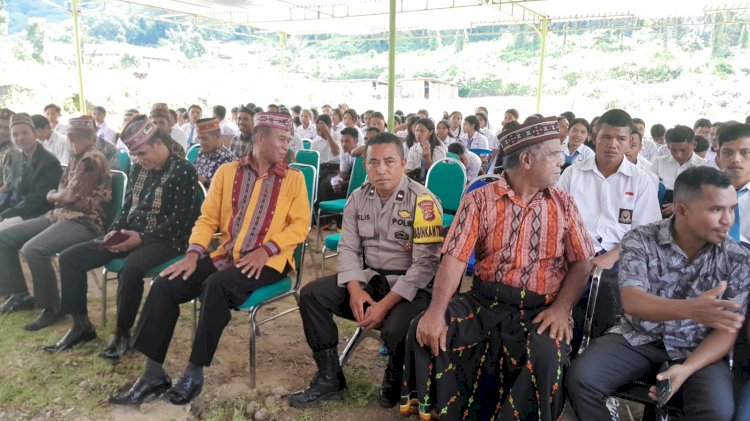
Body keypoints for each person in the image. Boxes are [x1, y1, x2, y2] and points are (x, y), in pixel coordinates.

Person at [401, 117, 594, 420]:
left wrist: (562, 308)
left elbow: (583, 262)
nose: (563, 160)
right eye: (555, 154)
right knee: (425, 328)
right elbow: (453, 258)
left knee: (547, 352)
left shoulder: (564, 203)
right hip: (484, 301)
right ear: (527, 159)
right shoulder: (479, 200)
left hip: (540, 309)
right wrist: (436, 312)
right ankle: (447, 413)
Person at [109, 112, 309, 406]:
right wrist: (193, 254)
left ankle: (194, 372)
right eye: (281, 139)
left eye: (288, 140)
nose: (286, 146)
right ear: (260, 138)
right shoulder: (228, 173)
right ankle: (153, 373)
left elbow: (300, 225)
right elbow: (207, 219)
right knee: (166, 282)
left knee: (215, 285)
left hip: (270, 263)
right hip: (226, 256)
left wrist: (266, 250)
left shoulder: (293, 179)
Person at [567, 166, 749, 421]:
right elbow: (632, 301)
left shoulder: (738, 258)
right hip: (638, 336)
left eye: (731, 208)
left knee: (717, 411)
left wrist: (686, 369)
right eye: (716, 209)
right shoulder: (641, 240)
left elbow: (726, 330)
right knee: (581, 379)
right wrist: (691, 309)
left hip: (697, 347)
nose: (727, 219)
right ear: (682, 210)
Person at [289, 132, 442, 409]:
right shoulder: (358, 198)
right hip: (370, 279)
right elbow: (348, 248)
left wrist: (384, 305)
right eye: (373, 163)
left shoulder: (424, 202)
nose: (381, 169)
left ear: (404, 163)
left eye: (389, 162)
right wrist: (355, 289)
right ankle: (329, 378)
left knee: (396, 328)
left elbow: (424, 266)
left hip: (411, 287)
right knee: (312, 294)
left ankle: (395, 377)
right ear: (365, 166)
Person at [45, 116, 198, 356]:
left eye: (142, 153)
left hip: (167, 240)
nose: (139, 159)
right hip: (129, 233)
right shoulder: (139, 168)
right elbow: (127, 207)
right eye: (135, 154)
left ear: (158, 143)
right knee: (70, 258)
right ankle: (81, 326)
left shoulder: (184, 170)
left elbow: (182, 221)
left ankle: (122, 333)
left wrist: (142, 238)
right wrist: (114, 230)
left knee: (130, 269)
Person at [0, 116, 111, 326]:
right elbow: (63, 192)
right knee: (4, 238)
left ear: (73, 136)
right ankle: (20, 295)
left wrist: (53, 196)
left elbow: (67, 195)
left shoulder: (91, 159)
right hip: (59, 215)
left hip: (83, 222)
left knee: (33, 249)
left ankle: (51, 307)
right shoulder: (77, 157)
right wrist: (57, 195)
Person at [557, 109, 661, 271]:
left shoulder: (640, 181)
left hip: (619, 256)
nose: (612, 144)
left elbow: (647, 231)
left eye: (621, 139)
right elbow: (557, 217)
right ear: (594, 137)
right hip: (571, 253)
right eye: (606, 137)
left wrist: (612, 256)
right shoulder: (572, 174)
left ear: (629, 141)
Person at [0, 113, 62, 231]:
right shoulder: (18, 159)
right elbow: (11, 190)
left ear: (34, 133)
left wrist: (5, 214)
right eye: (15, 134)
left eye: (24, 133)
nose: (20, 138)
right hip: (17, 212)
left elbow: (36, 201)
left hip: (36, 215)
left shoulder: (48, 162)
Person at [651, 125, 706, 216]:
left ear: (694, 145)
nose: (678, 155)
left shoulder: (704, 166)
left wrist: (682, 205)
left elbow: (706, 196)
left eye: (683, 150)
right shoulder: (658, 163)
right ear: (668, 146)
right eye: (674, 150)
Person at [716, 123, 750, 248]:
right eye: (727, 152)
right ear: (718, 155)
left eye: (745, 152)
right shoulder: (703, 191)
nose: (735, 159)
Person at [192, 118, 237, 187]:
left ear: (217, 136)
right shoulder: (200, 155)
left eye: (205, 139)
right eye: (199, 138)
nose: (201, 142)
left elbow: (229, 189)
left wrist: (205, 182)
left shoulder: (230, 161)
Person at [0, 109, 22, 216]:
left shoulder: (12, 153)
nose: (2, 131)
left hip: (5, 202)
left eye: (6, 128)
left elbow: (8, 187)